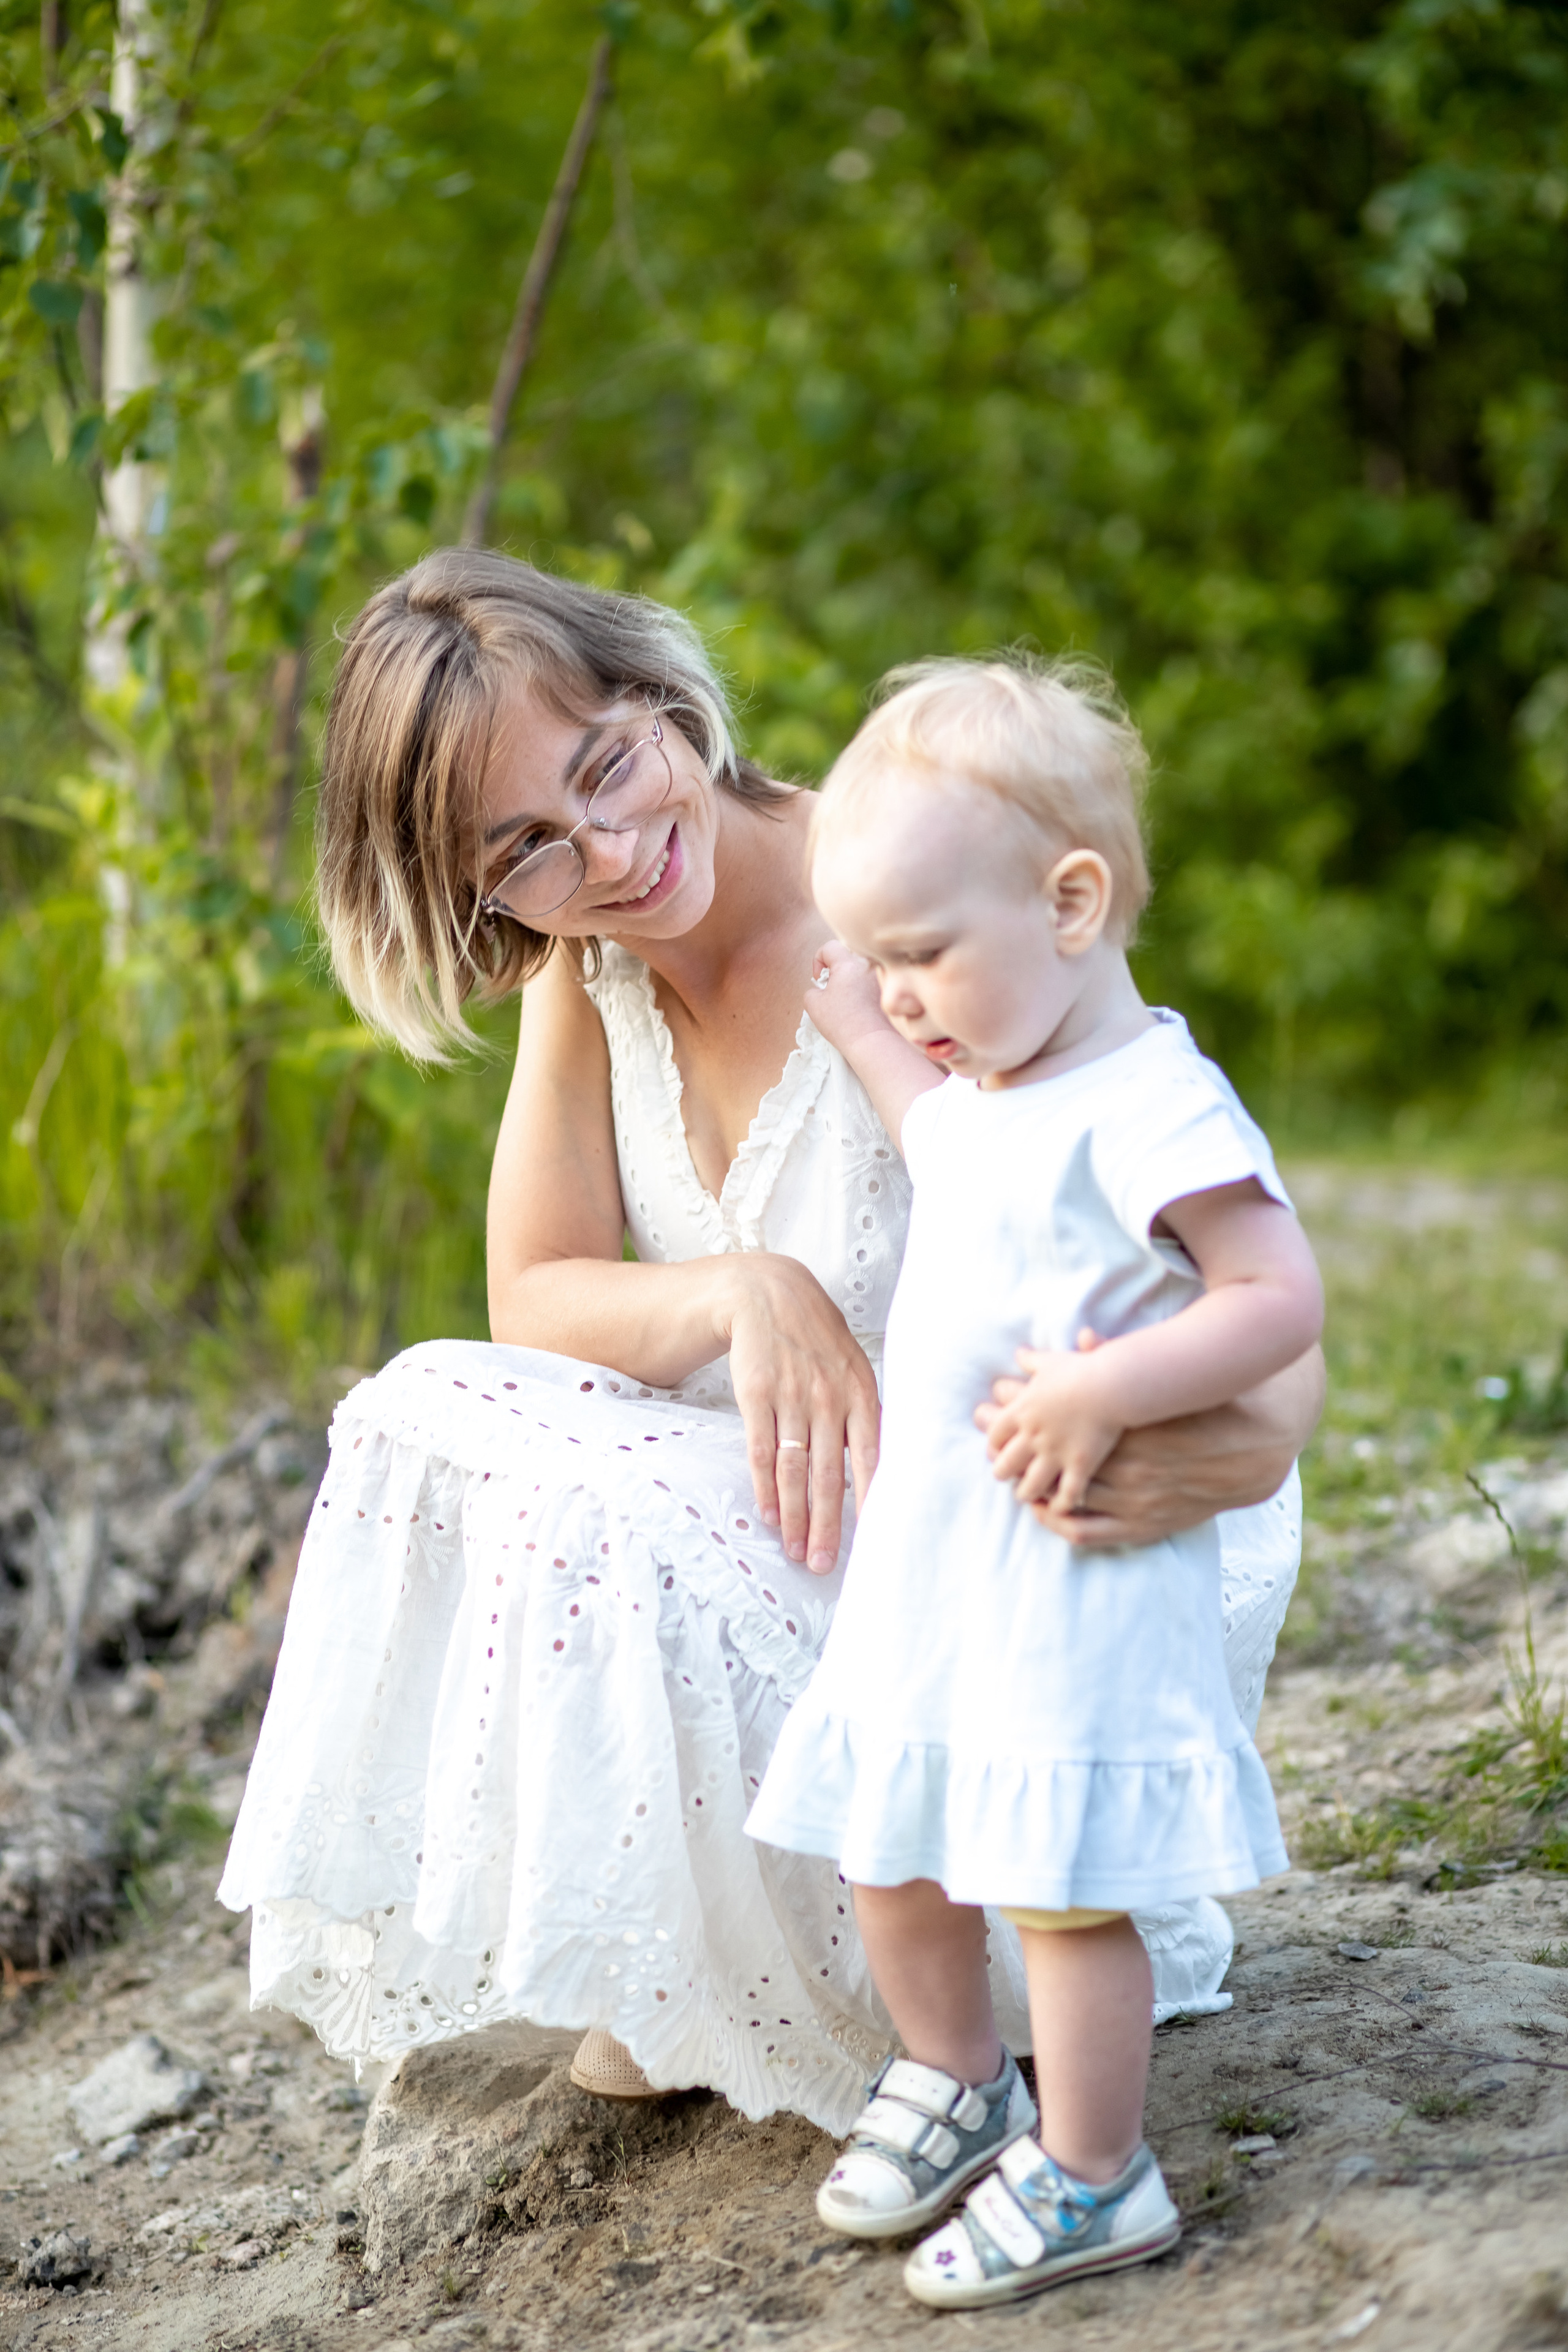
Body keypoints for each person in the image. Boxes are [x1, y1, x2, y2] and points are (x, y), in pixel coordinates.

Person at [217, 552, 1321, 2135]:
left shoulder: (903, 891)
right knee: (429, 1409)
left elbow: (1148, 1190)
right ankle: (707, 1957)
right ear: (481, 899)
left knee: (592, 1488)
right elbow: (533, 1293)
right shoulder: (585, 974)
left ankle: (940, 1991)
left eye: (605, 767)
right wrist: (747, 1290)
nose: (604, 852)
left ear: (661, 701)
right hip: (824, 1527)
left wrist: (1168, 1431)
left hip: (1020, 1536)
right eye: (524, 849)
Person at [746, 655, 1324, 2305]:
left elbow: (1275, 1299)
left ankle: (1095, 2172)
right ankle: (956, 2074)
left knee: (1059, 1895)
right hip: (935, 1570)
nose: (906, 990)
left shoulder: (1153, 1105)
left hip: (1069, 1575)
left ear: (1072, 902)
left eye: (929, 952)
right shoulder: (995, 1083)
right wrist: (862, 1015)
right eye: (886, 959)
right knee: (890, 1838)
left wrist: (1105, 1387)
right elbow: (926, 1118)